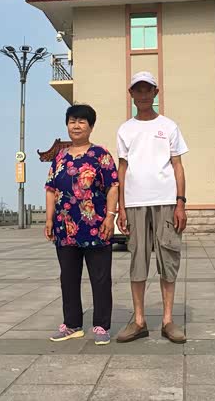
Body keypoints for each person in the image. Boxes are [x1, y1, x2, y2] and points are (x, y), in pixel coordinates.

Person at [115, 71, 189, 344]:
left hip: (166, 202)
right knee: (138, 260)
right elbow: (122, 169)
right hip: (135, 203)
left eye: (148, 90)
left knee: (168, 258)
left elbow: (178, 166)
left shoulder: (168, 126)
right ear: (131, 94)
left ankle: (168, 321)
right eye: (139, 90)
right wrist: (121, 208)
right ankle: (139, 321)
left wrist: (180, 203)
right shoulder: (125, 129)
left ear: (156, 93)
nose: (144, 94)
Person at [45, 104, 119, 346]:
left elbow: (113, 186)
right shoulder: (60, 157)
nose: (76, 126)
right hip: (64, 228)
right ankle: (72, 324)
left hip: (96, 227)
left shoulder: (101, 155)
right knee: (68, 278)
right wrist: (49, 219)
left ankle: (102, 325)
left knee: (100, 278)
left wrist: (110, 216)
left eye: (82, 121)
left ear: (91, 126)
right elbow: (50, 189)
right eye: (72, 121)